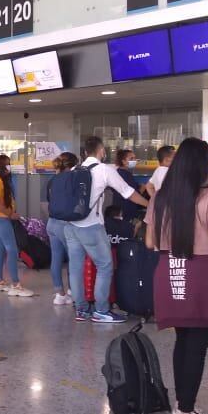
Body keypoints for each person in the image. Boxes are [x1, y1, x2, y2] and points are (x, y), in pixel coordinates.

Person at [145, 137, 208, 414]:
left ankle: (182, 406)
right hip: (201, 276)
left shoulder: (160, 198)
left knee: (184, 341)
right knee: (196, 346)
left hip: (170, 272)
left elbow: (149, 241)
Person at [65, 137, 149, 323]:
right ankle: (102, 310)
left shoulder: (74, 170)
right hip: (91, 226)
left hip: (70, 225)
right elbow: (128, 192)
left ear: (85, 152)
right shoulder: (104, 170)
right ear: (101, 150)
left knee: (75, 268)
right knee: (105, 266)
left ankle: (81, 310)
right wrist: (149, 204)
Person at [0, 154, 34, 298]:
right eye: (7, 164)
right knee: (12, 250)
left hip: (1, 218)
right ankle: (16, 285)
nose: (9, 167)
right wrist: (10, 213)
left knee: (1, 250)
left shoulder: (1, 180)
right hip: (0, 219)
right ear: (1, 166)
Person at [46, 152, 78, 306]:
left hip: (51, 223)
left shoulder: (52, 180)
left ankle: (59, 295)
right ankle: (72, 291)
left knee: (56, 258)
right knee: (73, 258)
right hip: (65, 224)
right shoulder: (71, 179)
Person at [114, 149, 145, 221]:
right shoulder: (125, 175)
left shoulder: (121, 173)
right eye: (131, 158)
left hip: (121, 209)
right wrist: (142, 188)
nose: (134, 160)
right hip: (127, 209)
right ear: (123, 161)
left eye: (134, 158)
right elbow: (133, 194)